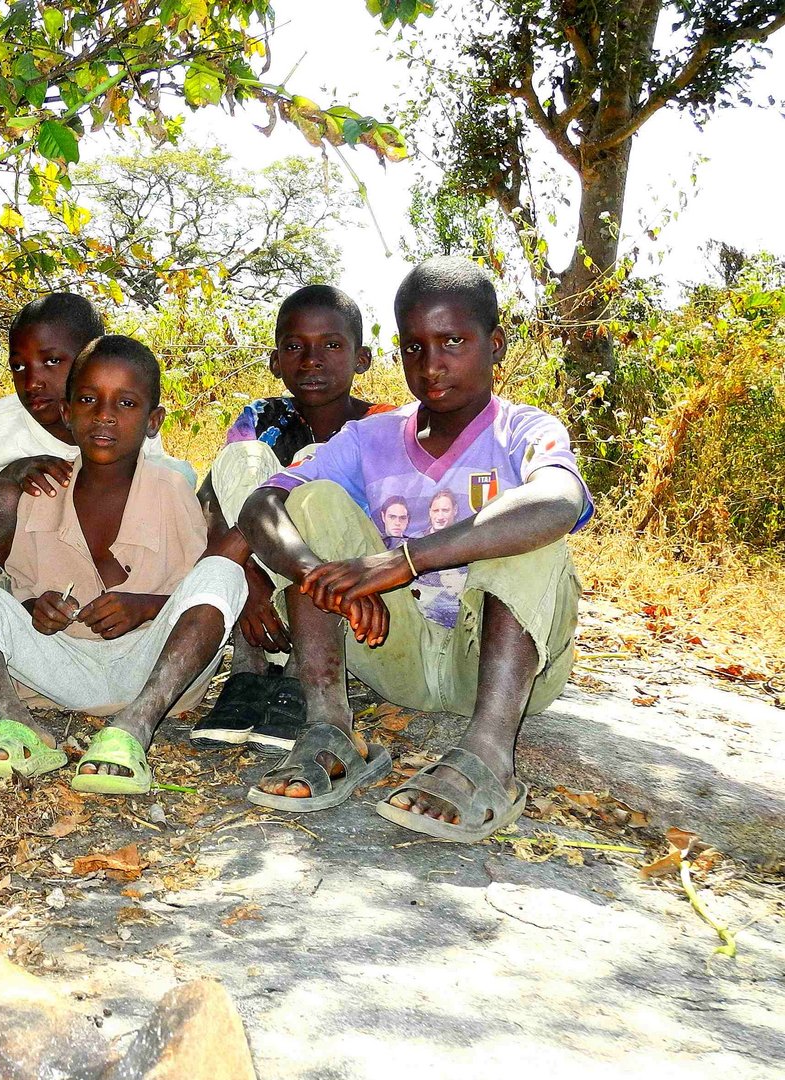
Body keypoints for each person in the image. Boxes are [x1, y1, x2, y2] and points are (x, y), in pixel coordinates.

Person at [237, 256, 592, 841]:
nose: (432, 365)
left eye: (453, 340)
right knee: (313, 498)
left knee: (526, 524)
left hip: (498, 666)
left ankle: (489, 756)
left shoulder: (526, 431)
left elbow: (557, 501)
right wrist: (319, 576)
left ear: (496, 344)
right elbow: (260, 506)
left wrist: (401, 561)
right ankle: (329, 730)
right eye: (414, 346)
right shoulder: (369, 437)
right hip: (397, 656)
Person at [0, 335, 247, 794]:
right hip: (64, 667)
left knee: (224, 572)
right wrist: (34, 610)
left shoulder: (170, 490)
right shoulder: (42, 494)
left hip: (155, 670)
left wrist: (146, 607)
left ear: (152, 421)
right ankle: (16, 724)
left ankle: (134, 728)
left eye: (125, 403)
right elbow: (17, 594)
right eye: (88, 399)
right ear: (66, 412)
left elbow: (194, 597)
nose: (104, 415)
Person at [191, 284, 392, 755]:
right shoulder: (261, 418)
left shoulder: (384, 426)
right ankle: (249, 668)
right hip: (262, 599)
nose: (312, 360)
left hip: (338, 598)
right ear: (275, 361)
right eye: (295, 347)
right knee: (243, 459)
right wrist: (250, 579)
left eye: (332, 346)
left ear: (362, 358)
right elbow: (216, 503)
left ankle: (303, 672)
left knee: (315, 466)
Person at [0, 292, 196, 490]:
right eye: (18, 366)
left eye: (52, 361)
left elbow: (166, 480)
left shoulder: (128, 419)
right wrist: (7, 476)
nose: (31, 383)